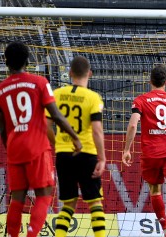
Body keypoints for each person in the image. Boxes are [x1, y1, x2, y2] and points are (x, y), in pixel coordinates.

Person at [0, 41, 82, 237]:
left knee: (17, 198)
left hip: (14, 147)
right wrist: (74, 137)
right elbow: (56, 115)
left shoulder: (0, 90)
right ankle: (31, 234)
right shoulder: (39, 82)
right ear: (27, 61)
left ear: (6, 62)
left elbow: (1, 127)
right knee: (44, 194)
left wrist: (8, 146)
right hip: (36, 145)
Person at [122, 64, 166, 237]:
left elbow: (133, 124)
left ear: (150, 81)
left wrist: (126, 149)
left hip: (151, 153)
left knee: (155, 192)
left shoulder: (141, 100)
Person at [46, 56, 106, 237]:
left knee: (68, 204)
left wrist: (58, 145)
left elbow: (46, 125)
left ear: (70, 73)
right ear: (90, 73)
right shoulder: (93, 97)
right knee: (95, 202)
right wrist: (102, 158)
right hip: (87, 153)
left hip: (64, 155)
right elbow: (97, 131)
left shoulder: (56, 94)